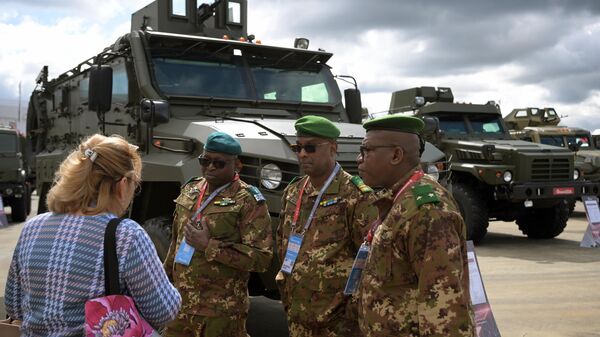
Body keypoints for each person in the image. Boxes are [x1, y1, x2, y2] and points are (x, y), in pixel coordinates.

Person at [4, 134, 181, 336]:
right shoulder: (126, 235)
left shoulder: (32, 228)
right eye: (135, 183)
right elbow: (164, 312)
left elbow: (14, 306)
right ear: (122, 184)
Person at [356, 114, 475, 337]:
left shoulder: (428, 211)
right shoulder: (397, 200)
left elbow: (444, 307)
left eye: (366, 151)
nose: (359, 159)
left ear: (396, 155)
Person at [276, 115, 377, 337]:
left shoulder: (355, 195)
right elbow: (282, 243)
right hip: (298, 312)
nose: (302, 154)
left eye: (310, 148)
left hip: (336, 321)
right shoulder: (293, 192)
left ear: (333, 148)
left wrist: (353, 310)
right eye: (298, 147)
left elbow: (370, 260)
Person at [163, 131, 273, 337]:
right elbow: (175, 244)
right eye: (205, 161)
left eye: (219, 163)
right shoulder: (190, 190)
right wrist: (163, 285)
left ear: (236, 165)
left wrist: (208, 246)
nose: (210, 167)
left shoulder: (248, 200)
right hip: (180, 306)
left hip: (219, 312)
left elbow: (261, 258)